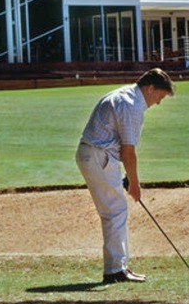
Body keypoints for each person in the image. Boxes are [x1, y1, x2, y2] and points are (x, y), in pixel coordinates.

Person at [75, 67, 176, 283]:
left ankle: (119, 267)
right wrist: (135, 185)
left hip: (93, 154)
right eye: (160, 96)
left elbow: (119, 147)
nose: (158, 102)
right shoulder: (132, 106)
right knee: (116, 211)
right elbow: (128, 151)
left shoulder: (124, 95)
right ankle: (115, 271)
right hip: (98, 155)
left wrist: (128, 178)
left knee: (114, 210)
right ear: (150, 89)